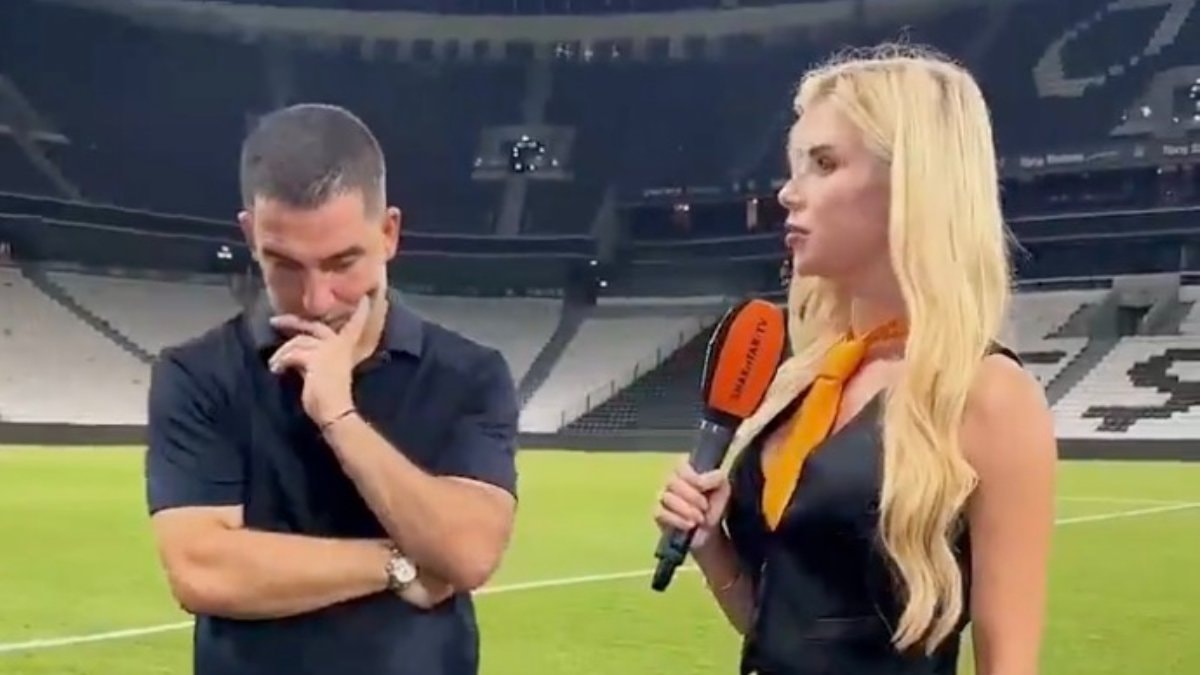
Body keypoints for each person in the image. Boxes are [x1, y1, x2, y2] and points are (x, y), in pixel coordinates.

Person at [654, 44, 1057, 675]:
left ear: (912, 184)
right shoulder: (805, 379)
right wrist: (712, 549)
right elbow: (788, 633)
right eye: (796, 166)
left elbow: (1009, 663)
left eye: (824, 163)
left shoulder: (989, 395)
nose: (788, 193)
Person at [145, 103, 519, 675]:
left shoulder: (470, 374)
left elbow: (468, 552)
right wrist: (397, 564)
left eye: (343, 263)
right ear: (250, 235)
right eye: (285, 265)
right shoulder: (197, 374)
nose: (317, 300)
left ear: (389, 233)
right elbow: (202, 569)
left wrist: (339, 417)